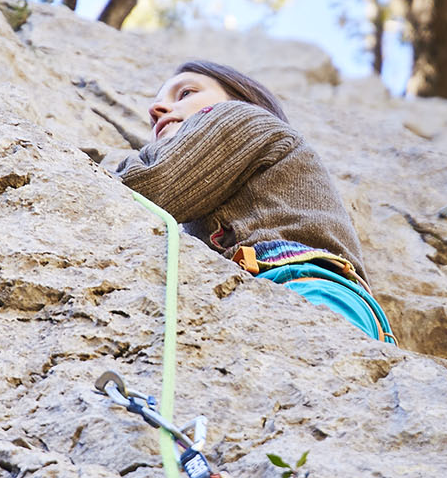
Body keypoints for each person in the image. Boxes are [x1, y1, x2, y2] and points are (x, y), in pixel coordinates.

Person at [112, 59, 395, 343]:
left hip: (302, 286)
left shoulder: (237, 115)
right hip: (317, 295)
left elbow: (148, 185)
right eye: (155, 109)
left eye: (185, 93)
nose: (155, 110)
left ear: (242, 98)